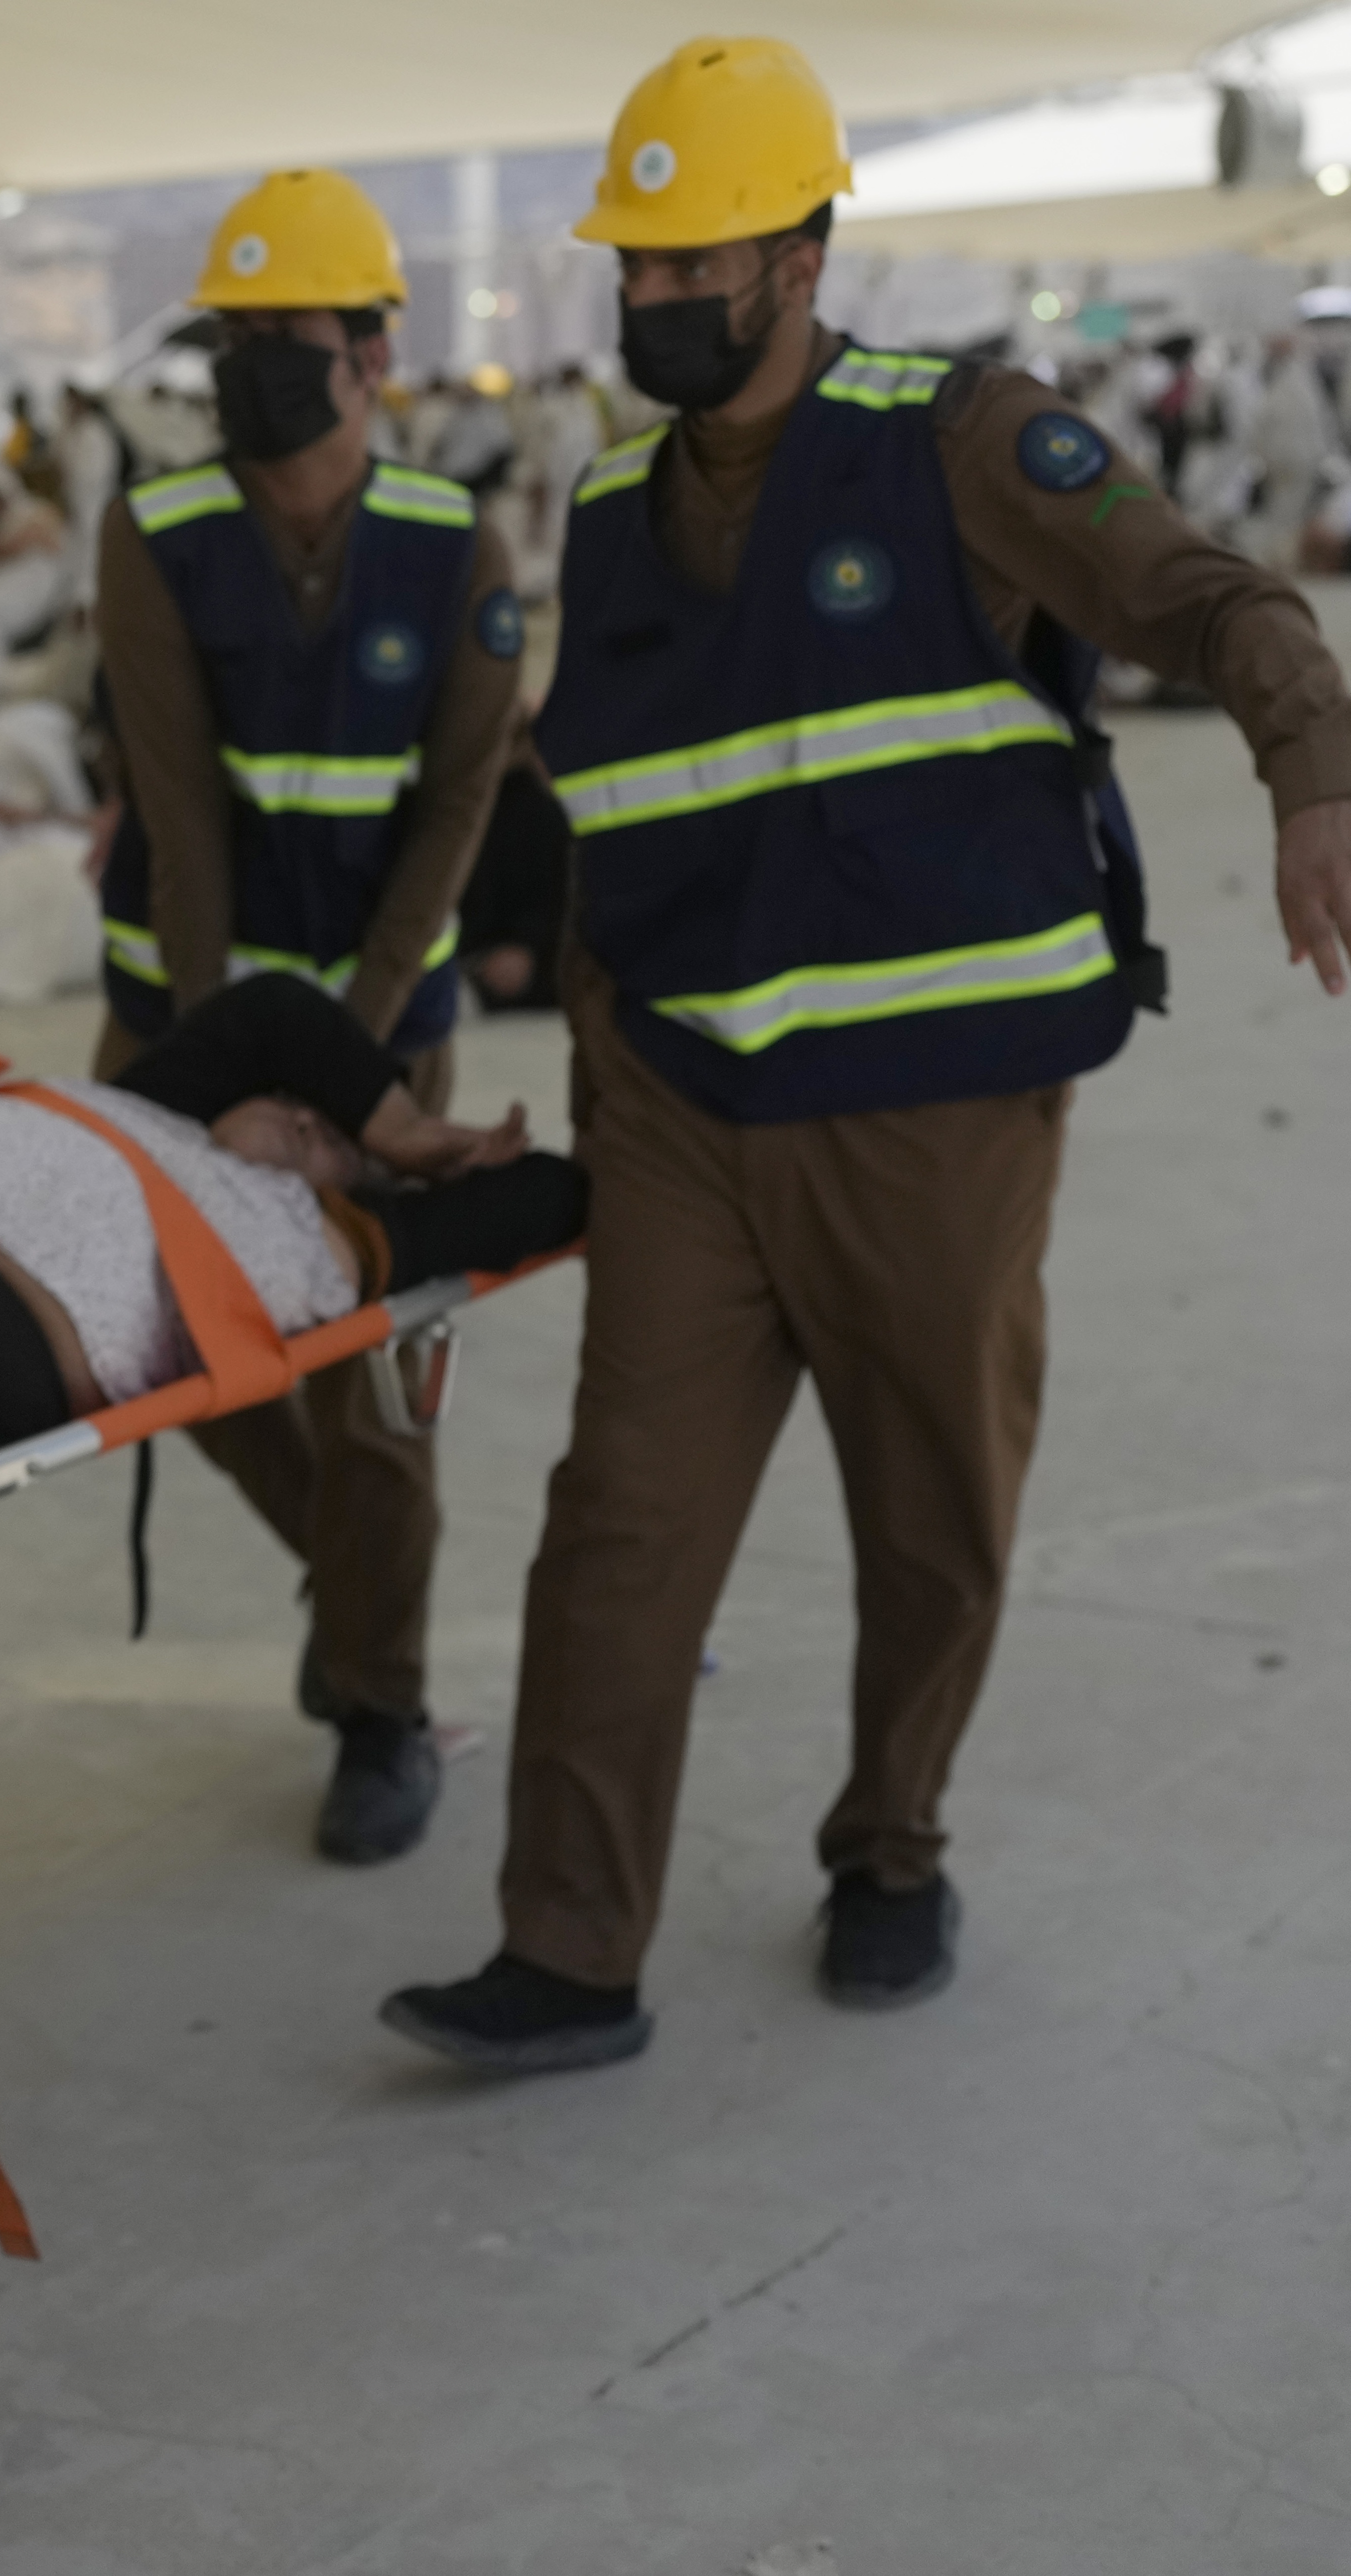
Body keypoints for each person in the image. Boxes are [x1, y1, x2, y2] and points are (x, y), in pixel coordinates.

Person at [381, 37, 1351, 2072]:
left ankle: (889, 1843)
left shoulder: (965, 441)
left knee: (933, 1521)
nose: (651, 301)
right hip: (685, 1116)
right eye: (631, 267)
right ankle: (568, 1947)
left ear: (804, 255)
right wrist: (581, 1067)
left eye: (692, 263)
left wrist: (1311, 768)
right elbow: (616, 813)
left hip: (932, 1114)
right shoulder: (618, 506)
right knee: (616, 1526)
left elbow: (1203, 597)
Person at [91, 167, 524, 1863]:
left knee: (375, 1395)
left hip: (386, 1026)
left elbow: (460, 801)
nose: (257, 364)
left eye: (292, 336)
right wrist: (226, 1076)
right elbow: (176, 812)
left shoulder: (448, 543)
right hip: (177, 1026)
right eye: (236, 336)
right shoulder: (159, 533)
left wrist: (344, 1060)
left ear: (371, 352)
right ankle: (346, 1587)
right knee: (163, 1347)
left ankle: (379, 1704)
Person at [0, 979, 579, 1821]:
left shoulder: (339, 1243)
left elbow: (552, 1195)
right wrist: (396, 1128)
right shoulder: (148, 1108)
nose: (298, 1120)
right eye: (293, 1105)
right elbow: (273, 1013)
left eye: (323, 1139)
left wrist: (408, 1156)